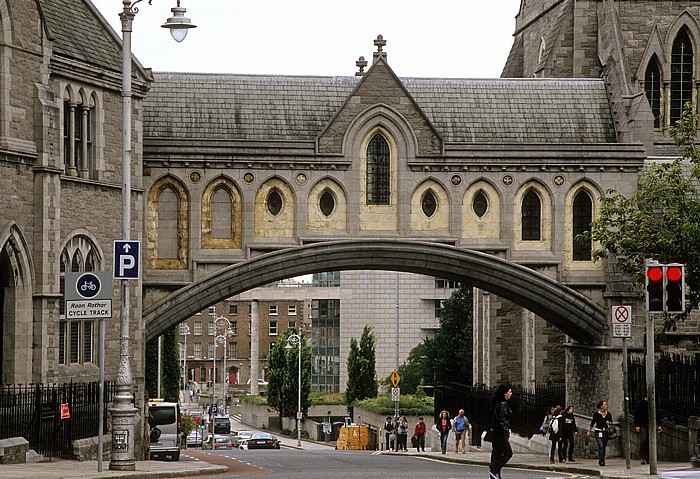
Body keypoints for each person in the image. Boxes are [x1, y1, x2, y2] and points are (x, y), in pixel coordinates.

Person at [488, 382, 513, 479]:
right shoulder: (503, 404)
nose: (511, 394)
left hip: (495, 433)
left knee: (496, 454)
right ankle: (494, 468)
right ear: (505, 393)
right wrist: (506, 434)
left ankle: (494, 474)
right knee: (508, 453)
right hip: (500, 434)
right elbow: (503, 420)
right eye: (510, 392)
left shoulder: (496, 403)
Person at [634, 394, 662, 465]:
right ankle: (643, 457)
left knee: (650, 441)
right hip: (643, 425)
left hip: (651, 425)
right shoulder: (640, 404)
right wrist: (637, 425)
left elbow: (657, 414)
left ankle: (649, 457)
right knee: (644, 440)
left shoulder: (653, 404)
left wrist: (659, 425)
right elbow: (637, 415)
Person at [587, 400, 613, 466]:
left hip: (605, 431)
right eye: (604, 404)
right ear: (601, 406)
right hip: (598, 431)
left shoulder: (608, 414)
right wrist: (589, 431)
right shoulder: (596, 414)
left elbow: (611, 422)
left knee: (603, 446)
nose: (605, 406)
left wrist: (609, 423)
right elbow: (592, 422)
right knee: (601, 446)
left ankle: (602, 459)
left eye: (606, 404)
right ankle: (601, 461)